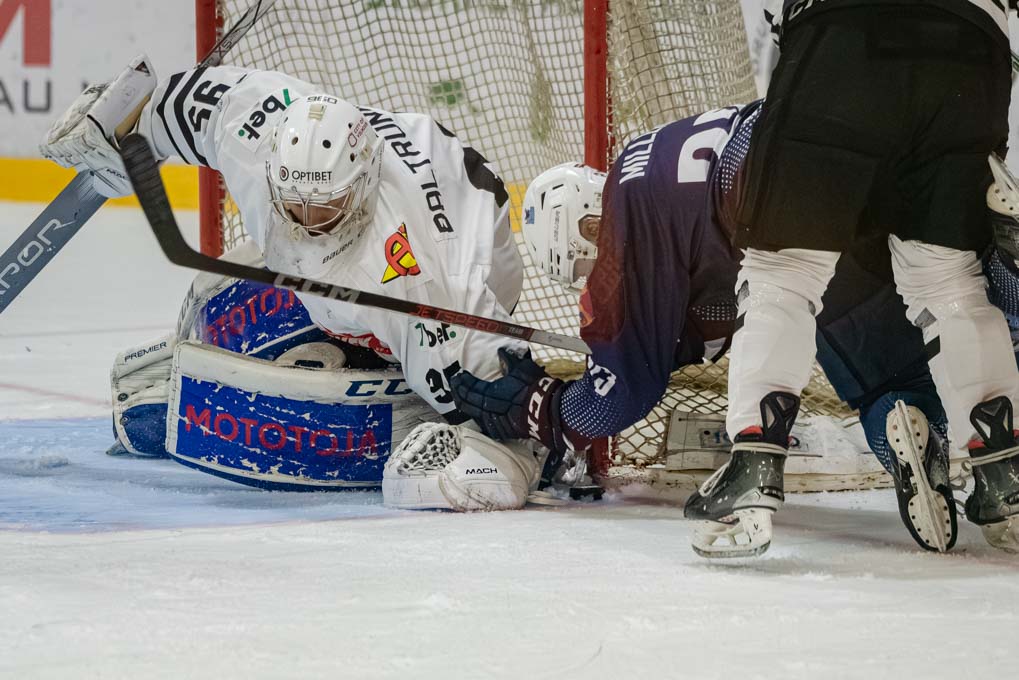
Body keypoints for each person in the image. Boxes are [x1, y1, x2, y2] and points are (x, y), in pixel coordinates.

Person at [451, 99, 1019, 555]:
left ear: (587, 227)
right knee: (934, 313)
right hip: (841, 151)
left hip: (775, 198)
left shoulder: (626, 227)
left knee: (783, 302)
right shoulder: (646, 164)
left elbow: (620, 395)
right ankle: (932, 409)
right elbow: (703, 313)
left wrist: (541, 410)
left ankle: (755, 471)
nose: (591, 277)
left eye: (583, 266)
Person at [39, 58, 544, 511]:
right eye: (292, 204)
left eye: (324, 209)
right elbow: (182, 106)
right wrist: (120, 127)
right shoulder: (256, 129)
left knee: (317, 404)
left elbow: (505, 405)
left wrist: (512, 437)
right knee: (221, 306)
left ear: (364, 182)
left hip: (464, 263)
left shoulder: (415, 279)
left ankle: (391, 371)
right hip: (398, 240)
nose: (306, 223)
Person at [709, 0, 1019, 557]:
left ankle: (755, 466)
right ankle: (1004, 472)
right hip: (972, 44)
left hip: (844, 34)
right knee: (950, 281)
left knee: (784, 268)